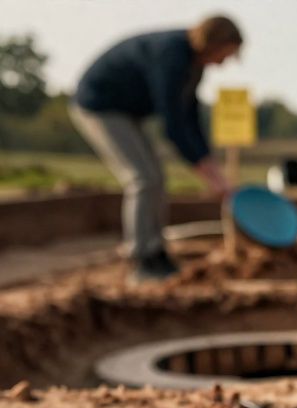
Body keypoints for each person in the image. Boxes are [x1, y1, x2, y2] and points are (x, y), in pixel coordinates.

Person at [71, 16, 241, 283]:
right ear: (213, 43)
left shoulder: (193, 64)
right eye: (224, 54)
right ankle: (140, 259)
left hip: (127, 112)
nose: (223, 62)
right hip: (100, 107)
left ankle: (157, 252)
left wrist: (209, 163)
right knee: (143, 178)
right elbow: (173, 124)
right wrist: (207, 173)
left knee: (157, 178)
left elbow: (190, 117)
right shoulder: (171, 54)